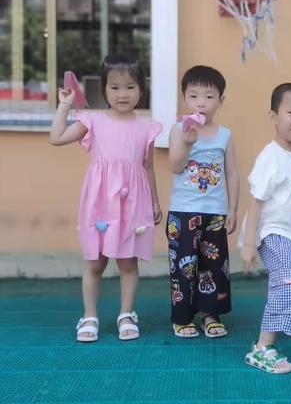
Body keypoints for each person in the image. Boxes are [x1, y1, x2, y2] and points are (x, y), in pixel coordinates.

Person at [50, 54, 163, 342]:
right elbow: (57, 137)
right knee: (96, 263)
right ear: (104, 89)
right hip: (100, 203)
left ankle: (127, 314)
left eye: (130, 87)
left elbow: (147, 167)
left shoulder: (147, 127)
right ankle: (89, 316)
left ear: (141, 89)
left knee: (128, 262)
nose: (122, 94)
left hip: (133, 203)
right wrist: (65, 104)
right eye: (114, 87)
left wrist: (154, 202)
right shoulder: (93, 121)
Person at [240, 83, 291, 374]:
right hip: (271, 231)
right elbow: (255, 204)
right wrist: (249, 244)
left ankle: (289, 317)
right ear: (274, 115)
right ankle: (262, 348)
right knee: (288, 279)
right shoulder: (270, 156)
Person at [167, 65, 239, 338]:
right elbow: (175, 167)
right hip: (183, 213)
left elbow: (232, 173)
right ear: (184, 99)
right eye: (194, 96)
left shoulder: (225, 135)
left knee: (214, 266)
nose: (201, 102)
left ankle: (211, 314)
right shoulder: (179, 129)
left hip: (215, 213)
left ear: (221, 100)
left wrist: (232, 209)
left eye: (209, 96)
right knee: (183, 267)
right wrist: (186, 143)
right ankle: (182, 318)